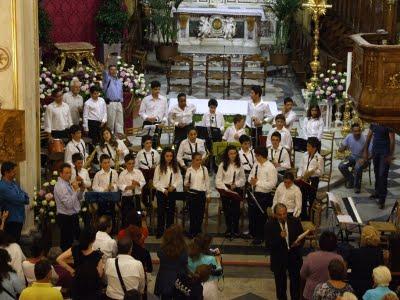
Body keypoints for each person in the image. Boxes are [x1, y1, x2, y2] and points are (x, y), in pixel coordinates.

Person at [265, 203, 304, 300]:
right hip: (279, 259)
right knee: (280, 287)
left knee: (295, 285)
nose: (283, 216)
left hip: (294, 257)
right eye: (280, 214)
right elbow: (268, 246)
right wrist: (279, 237)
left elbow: (302, 237)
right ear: (275, 214)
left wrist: (298, 243)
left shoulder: (295, 221)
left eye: (284, 214)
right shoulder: (269, 225)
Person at [300, 231, 344, 300]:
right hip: (331, 296)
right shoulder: (339, 258)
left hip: (310, 295)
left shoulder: (311, 256)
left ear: (320, 242)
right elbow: (342, 277)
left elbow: (302, 274)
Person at [248, 146, 278, 245]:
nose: (255, 157)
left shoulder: (270, 167)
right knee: (252, 215)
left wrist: (257, 183)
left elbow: (272, 184)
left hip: (264, 196)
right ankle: (253, 233)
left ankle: (260, 236)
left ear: (260, 155)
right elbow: (250, 177)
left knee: (261, 217)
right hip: (254, 193)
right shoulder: (256, 164)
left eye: (256, 155)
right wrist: (251, 181)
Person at [215, 145, 246, 238]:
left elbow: (243, 179)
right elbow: (218, 180)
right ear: (227, 155)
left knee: (236, 211)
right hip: (225, 189)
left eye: (234, 153)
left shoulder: (239, 165)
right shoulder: (222, 165)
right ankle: (228, 229)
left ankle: (235, 229)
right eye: (230, 154)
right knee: (227, 210)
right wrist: (225, 188)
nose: (233, 155)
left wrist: (236, 184)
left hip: (235, 189)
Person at [364, 124, 395, 209]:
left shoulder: (388, 123)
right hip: (375, 151)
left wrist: (390, 155)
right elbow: (369, 136)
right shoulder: (373, 122)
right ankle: (377, 192)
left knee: (382, 175)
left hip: (384, 154)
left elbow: (392, 140)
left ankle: (382, 200)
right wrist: (366, 150)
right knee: (377, 173)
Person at [153, 148, 183, 238]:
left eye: (171, 156)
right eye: (167, 156)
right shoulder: (159, 167)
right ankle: (160, 231)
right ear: (163, 156)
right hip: (161, 191)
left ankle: (169, 232)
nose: (169, 158)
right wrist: (163, 190)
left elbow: (179, 179)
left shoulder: (175, 166)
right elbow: (155, 182)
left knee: (171, 212)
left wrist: (173, 186)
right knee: (161, 212)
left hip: (171, 191)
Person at [348, 225, 384, 298]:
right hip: (373, 287)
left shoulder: (355, 252)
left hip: (356, 288)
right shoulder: (379, 253)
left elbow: (349, 269)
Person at [54, 163, 84, 251]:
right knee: (66, 244)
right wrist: (75, 191)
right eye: (66, 173)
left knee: (76, 241)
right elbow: (68, 204)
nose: (69, 175)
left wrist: (81, 190)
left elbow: (78, 198)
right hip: (65, 217)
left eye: (70, 172)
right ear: (61, 174)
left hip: (73, 216)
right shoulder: (60, 186)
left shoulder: (68, 183)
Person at [154, 225, 188, 299]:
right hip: (179, 278)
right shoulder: (184, 250)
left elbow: (159, 254)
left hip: (164, 277)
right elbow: (185, 261)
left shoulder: (162, 249)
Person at [0, 161, 29, 242]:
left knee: (16, 242)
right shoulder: (2, 186)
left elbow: (26, 198)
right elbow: (20, 199)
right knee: (12, 244)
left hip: (19, 219)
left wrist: (22, 195)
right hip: (11, 221)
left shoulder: (14, 182)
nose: (15, 173)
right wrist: (22, 196)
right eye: (13, 172)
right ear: (6, 173)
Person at [184, 152, 211, 237]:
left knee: (200, 214)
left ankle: (198, 230)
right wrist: (186, 184)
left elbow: (207, 182)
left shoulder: (204, 169)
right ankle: (192, 231)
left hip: (201, 194)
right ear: (192, 160)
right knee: (192, 214)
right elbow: (185, 182)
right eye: (197, 160)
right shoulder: (189, 170)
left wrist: (208, 194)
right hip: (192, 193)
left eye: (200, 160)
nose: (199, 161)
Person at [296, 137, 324, 219]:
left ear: (314, 148)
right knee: (303, 197)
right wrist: (299, 175)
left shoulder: (319, 158)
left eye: (308, 146)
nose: (307, 148)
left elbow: (321, 172)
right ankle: (304, 215)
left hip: (313, 180)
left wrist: (312, 172)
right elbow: (301, 167)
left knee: (311, 198)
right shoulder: (305, 155)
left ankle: (311, 216)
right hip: (304, 179)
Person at [188, 235, 222, 299]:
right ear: (207, 246)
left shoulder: (189, 257)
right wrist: (218, 259)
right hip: (208, 288)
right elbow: (219, 274)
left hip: (192, 286)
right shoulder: (211, 259)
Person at [338, 123, 368, 193]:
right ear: (352, 131)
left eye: (358, 131)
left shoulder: (365, 138)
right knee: (341, 166)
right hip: (352, 157)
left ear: (360, 130)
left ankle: (357, 187)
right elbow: (342, 148)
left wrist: (364, 159)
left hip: (363, 159)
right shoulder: (349, 137)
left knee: (357, 167)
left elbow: (370, 152)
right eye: (355, 131)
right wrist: (341, 148)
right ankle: (351, 180)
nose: (357, 133)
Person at [118, 153, 146, 226]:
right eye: (129, 164)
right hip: (126, 198)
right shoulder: (122, 174)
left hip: (136, 197)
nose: (131, 165)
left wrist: (138, 183)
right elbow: (120, 185)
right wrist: (128, 187)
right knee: (126, 217)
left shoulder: (138, 172)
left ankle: (138, 230)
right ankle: (126, 232)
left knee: (138, 214)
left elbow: (143, 182)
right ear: (125, 164)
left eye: (133, 163)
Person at [139, 80, 168, 146]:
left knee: (155, 144)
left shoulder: (164, 99)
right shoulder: (146, 99)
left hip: (158, 124)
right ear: (151, 89)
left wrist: (163, 122)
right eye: (155, 89)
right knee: (145, 144)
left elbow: (166, 114)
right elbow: (141, 112)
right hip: (147, 123)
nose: (157, 91)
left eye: (158, 89)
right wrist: (147, 118)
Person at [92, 154, 119, 225]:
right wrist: (104, 189)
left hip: (112, 197)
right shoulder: (98, 174)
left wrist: (113, 187)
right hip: (102, 197)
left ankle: (112, 227)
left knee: (112, 211)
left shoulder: (114, 173)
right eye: (105, 163)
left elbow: (118, 185)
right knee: (102, 210)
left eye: (108, 162)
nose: (107, 164)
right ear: (101, 164)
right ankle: (102, 226)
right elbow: (94, 187)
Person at [135, 135, 160, 208]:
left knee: (154, 187)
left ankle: (152, 201)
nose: (149, 145)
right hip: (143, 174)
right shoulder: (139, 154)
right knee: (144, 188)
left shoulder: (155, 153)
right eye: (147, 143)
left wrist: (155, 167)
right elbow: (136, 166)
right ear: (143, 144)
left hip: (153, 173)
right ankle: (145, 203)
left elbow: (158, 164)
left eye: (150, 143)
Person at [103, 57, 124, 135]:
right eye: (111, 69)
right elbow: (104, 71)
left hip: (119, 103)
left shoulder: (119, 81)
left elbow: (121, 92)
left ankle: (120, 138)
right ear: (109, 71)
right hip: (111, 103)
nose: (114, 71)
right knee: (111, 123)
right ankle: (110, 138)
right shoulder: (107, 79)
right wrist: (107, 61)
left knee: (120, 122)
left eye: (115, 69)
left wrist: (122, 103)